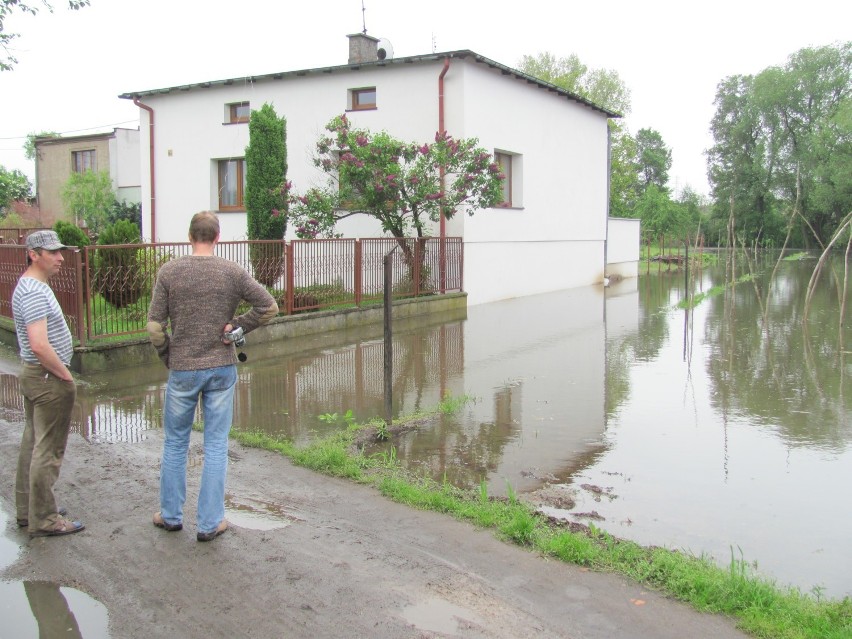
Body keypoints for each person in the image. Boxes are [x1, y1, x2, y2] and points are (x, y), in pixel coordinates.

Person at [147, 211, 278, 542]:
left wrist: (169, 355)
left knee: (176, 441)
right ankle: (210, 523)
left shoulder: (170, 271)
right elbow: (269, 307)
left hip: (183, 369)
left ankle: (171, 516)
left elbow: (154, 327)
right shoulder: (231, 271)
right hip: (221, 368)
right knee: (216, 443)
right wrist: (238, 326)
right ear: (217, 237)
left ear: (190, 236)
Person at [13, 230, 84, 538]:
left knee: (33, 442)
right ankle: (44, 518)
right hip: (47, 378)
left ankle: (29, 511)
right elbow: (39, 345)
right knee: (48, 450)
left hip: (38, 376)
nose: (60, 257)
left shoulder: (34, 286)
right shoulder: (32, 291)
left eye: (60, 251)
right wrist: (65, 376)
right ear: (33, 254)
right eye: (53, 252)